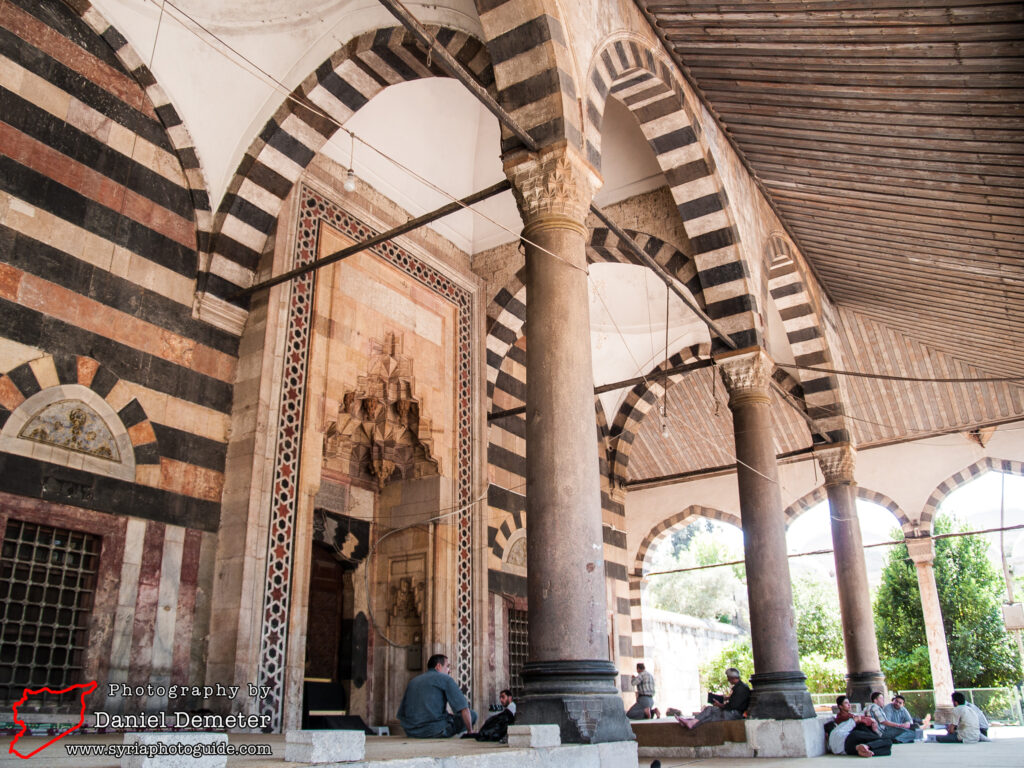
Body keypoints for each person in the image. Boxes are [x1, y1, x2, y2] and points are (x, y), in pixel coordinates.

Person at [397, 654, 476, 738]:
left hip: (411, 732)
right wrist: (470, 731)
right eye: (447, 666)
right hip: (435, 731)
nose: (449, 670)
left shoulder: (413, 681)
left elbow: (401, 714)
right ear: (438, 666)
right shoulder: (446, 679)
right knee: (473, 715)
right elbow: (464, 709)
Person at [675, 668, 750, 729]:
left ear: (732, 677)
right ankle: (691, 722)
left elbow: (733, 706)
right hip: (732, 711)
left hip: (734, 714)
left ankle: (691, 722)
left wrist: (720, 705)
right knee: (709, 710)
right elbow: (736, 701)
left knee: (710, 715)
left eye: (728, 677)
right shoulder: (740, 687)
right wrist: (726, 699)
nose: (727, 679)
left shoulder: (741, 688)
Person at [828, 695, 894, 757]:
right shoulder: (842, 721)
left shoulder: (834, 736)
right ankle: (867, 746)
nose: (849, 705)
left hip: (849, 749)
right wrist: (871, 720)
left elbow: (858, 719)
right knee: (887, 743)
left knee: (887, 749)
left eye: (849, 703)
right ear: (840, 706)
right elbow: (857, 720)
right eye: (846, 703)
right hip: (853, 737)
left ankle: (864, 748)